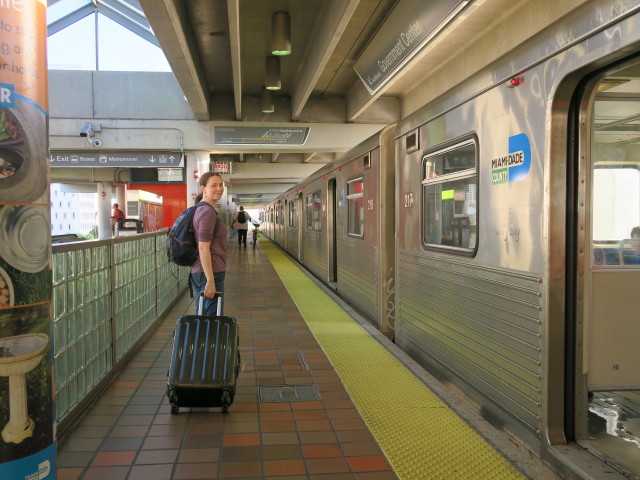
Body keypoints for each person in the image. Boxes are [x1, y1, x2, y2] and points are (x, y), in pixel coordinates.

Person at [190, 172, 228, 315]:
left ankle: (202, 338)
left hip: (203, 271)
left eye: (220, 185)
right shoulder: (207, 212)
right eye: (213, 185)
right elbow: (203, 247)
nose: (219, 188)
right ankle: (205, 339)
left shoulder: (202, 209)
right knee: (211, 320)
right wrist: (210, 280)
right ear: (203, 188)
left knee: (204, 316)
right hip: (209, 272)